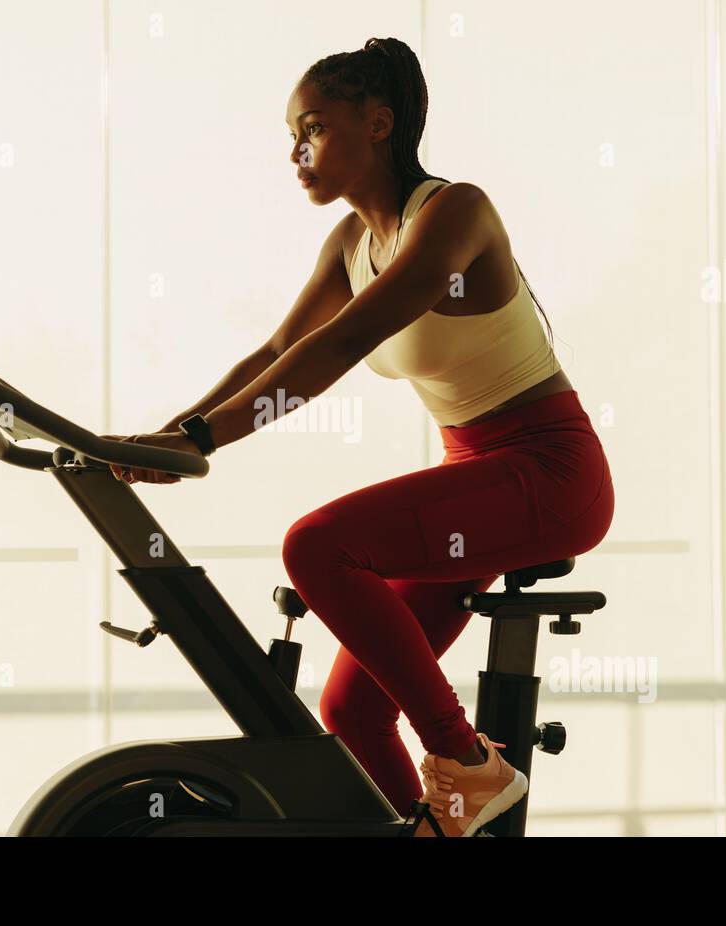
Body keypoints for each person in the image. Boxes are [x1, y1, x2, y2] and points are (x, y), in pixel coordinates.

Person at [103, 36, 615, 837]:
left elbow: (337, 348)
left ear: (378, 123)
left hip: (548, 473)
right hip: (475, 476)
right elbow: (276, 354)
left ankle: (471, 766)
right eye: (289, 137)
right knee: (351, 711)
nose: (295, 153)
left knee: (318, 547)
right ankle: (431, 827)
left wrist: (202, 439)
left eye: (311, 128)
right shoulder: (350, 245)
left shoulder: (455, 213)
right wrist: (166, 437)